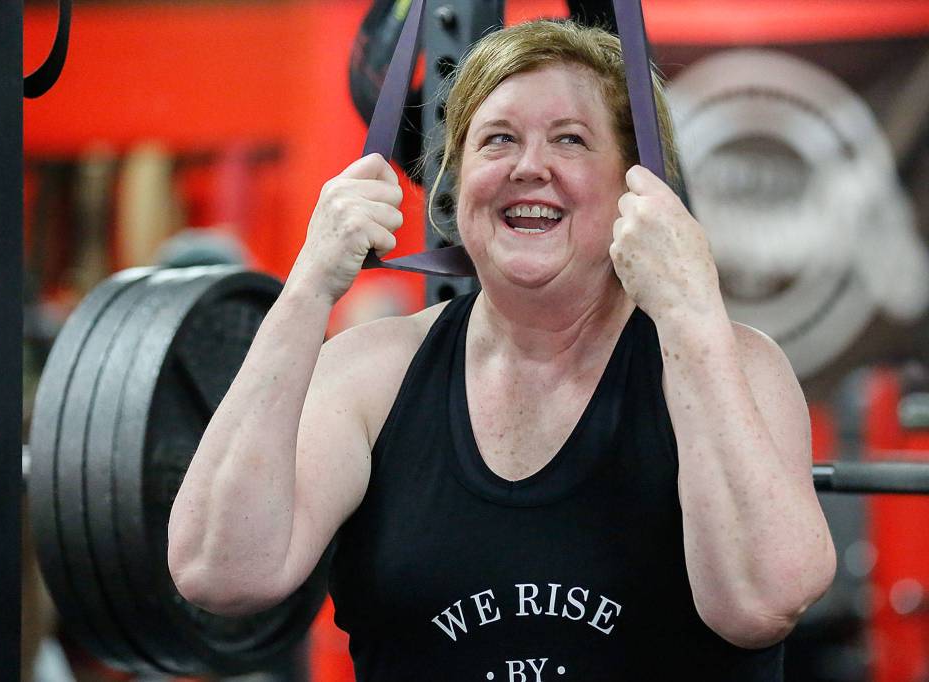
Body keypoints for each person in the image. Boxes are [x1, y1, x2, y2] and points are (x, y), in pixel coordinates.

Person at [167, 20, 836, 681]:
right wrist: (309, 286)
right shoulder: (371, 377)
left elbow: (759, 604)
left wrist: (691, 315)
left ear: (637, 188)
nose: (528, 166)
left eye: (569, 140)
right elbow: (218, 572)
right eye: (497, 140)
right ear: (458, 187)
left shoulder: (739, 366)